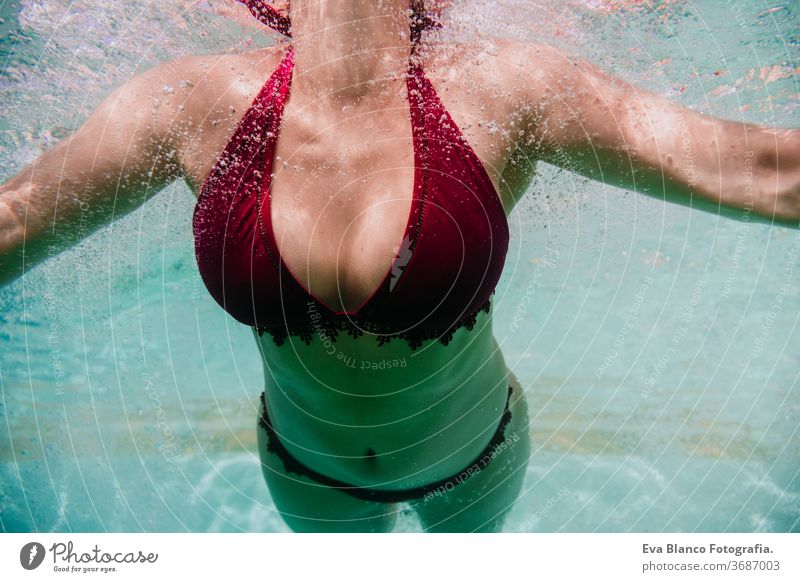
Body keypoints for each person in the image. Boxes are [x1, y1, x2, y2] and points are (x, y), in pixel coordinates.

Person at [0, 0, 797, 532]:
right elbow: (21, 218)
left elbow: (765, 170)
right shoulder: (184, 103)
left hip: (475, 459)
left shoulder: (505, 87)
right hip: (305, 469)